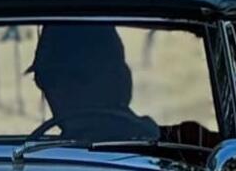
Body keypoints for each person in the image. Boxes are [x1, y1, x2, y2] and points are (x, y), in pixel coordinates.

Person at [29, 24, 160, 146]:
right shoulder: (39, 157)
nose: (60, 92)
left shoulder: (156, 147)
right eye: (47, 79)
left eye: (79, 75)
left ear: (119, 79)